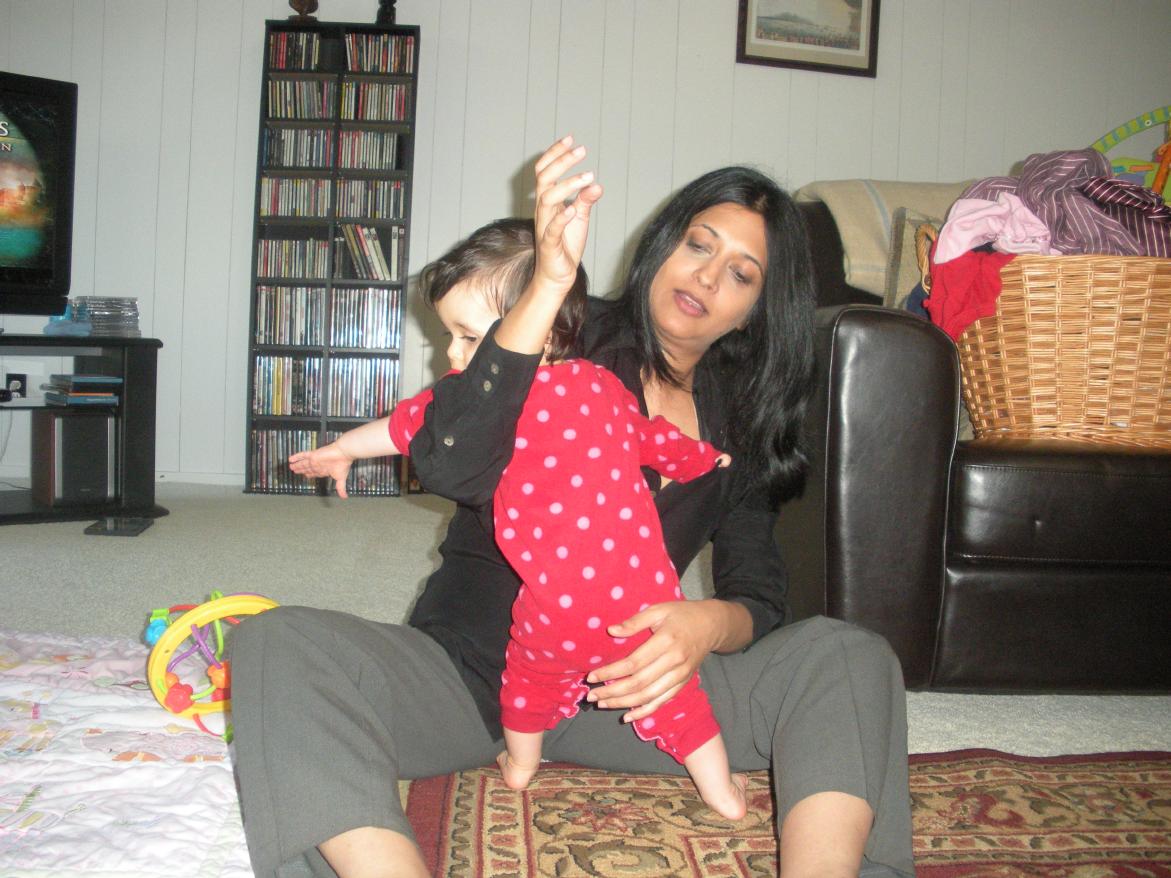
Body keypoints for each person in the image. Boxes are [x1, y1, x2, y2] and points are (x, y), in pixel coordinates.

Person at [231, 135, 915, 878]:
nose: (706, 275)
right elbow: (448, 462)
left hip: (635, 695)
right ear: (663, 244)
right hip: (470, 676)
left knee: (847, 657)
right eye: (697, 244)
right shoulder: (561, 330)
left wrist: (704, 627)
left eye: (740, 272)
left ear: (757, 308)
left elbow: (759, 592)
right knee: (280, 644)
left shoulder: (740, 423)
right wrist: (545, 289)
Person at [288, 216, 748, 819]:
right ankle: (722, 793)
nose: (454, 355)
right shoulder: (602, 386)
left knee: (528, 683)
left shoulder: (480, 403)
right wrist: (703, 459)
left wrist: (343, 449)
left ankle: (523, 765)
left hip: (554, 609)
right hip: (641, 607)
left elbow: (401, 429)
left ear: (536, 329)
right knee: (682, 703)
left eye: (468, 337)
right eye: (449, 336)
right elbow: (654, 439)